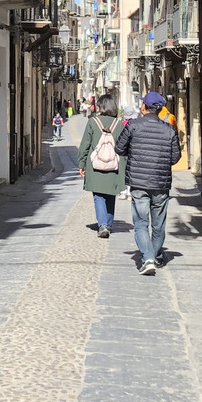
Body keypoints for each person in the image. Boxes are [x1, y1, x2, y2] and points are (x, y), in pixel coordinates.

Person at [116, 90, 181, 274]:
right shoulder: (169, 129)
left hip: (138, 182)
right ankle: (156, 255)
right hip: (161, 183)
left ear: (143, 107)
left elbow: (119, 149)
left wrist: (135, 154)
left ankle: (148, 258)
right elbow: (176, 157)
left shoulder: (133, 126)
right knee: (158, 224)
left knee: (141, 223)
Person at [77, 92, 126, 238]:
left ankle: (103, 224)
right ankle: (108, 224)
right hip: (114, 165)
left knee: (98, 195)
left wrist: (81, 163)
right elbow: (124, 147)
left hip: (95, 165)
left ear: (101, 106)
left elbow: (85, 144)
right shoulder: (119, 124)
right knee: (111, 194)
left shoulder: (93, 122)